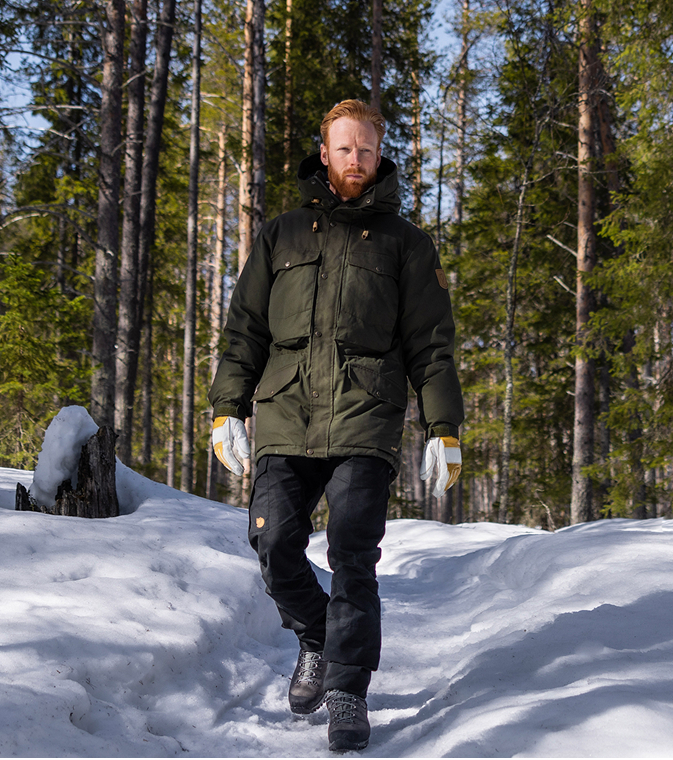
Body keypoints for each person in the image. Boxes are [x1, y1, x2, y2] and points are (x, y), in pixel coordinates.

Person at [208, 99, 463, 753]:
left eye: (367, 149)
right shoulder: (281, 236)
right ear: (325, 153)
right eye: (344, 148)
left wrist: (444, 426)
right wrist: (227, 409)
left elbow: (430, 346)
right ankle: (319, 639)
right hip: (287, 415)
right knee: (272, 544)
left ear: (381, 156)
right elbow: (246, 332)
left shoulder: (407, 245)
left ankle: (347, 691)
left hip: (365, 418)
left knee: (353, 552)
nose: (356, 160)